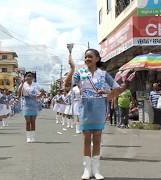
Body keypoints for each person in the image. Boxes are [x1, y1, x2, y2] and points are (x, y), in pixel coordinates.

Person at [64, 49, 125, 180]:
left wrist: (107, 92)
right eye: (86, 57)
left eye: (90, 57)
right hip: (85, 109)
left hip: (99, 109)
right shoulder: (80, 73)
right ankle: (87, 170)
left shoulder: (103, 74)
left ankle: (96, 170)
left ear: (97, 58)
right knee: (86, 139)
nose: (87, 59)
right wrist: (72, 68)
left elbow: (118, 89)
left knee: (97, 139)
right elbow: (67, 85)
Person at [17, 72, 44, 143]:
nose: (29, 77)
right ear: (25, 77)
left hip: (34, 104)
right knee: (28, 121)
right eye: (28, 76)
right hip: (26, 104)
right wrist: (22, 83)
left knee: (33, 121)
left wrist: (41, 94)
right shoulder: (23, 84)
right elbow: (18, 93)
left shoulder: (36, 85)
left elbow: (40, 93)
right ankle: (28, 137)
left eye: (30, 76)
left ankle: (33, 137)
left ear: (33, 78)